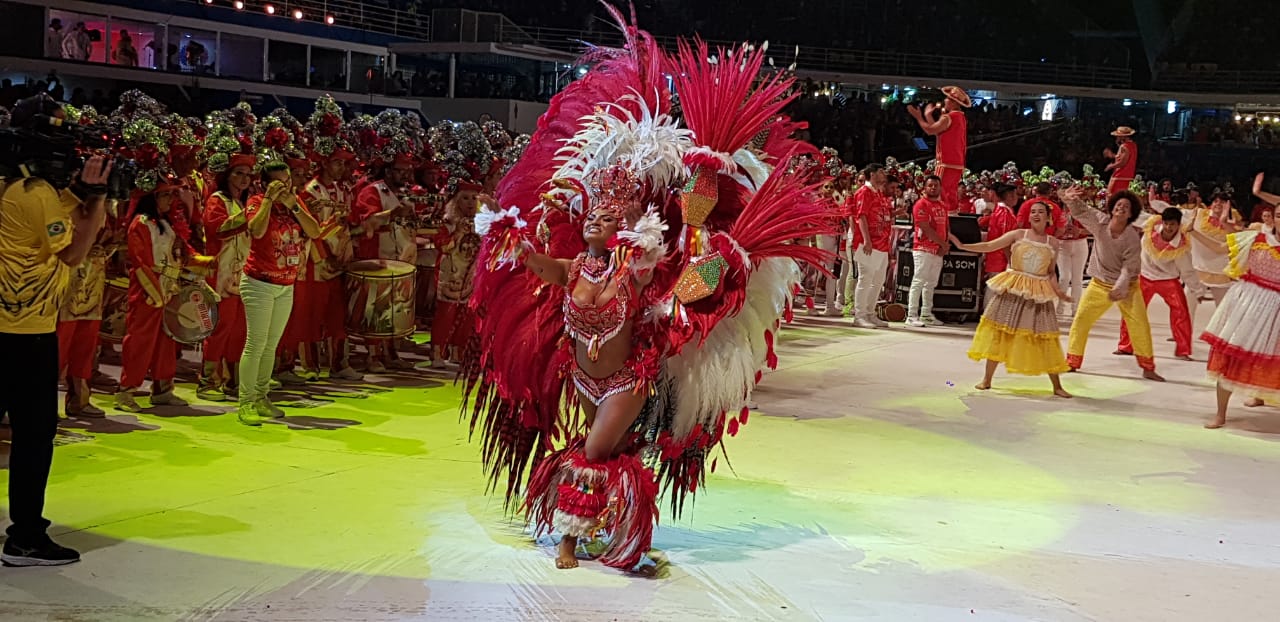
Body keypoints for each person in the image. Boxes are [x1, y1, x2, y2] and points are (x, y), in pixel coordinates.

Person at [0, 130, 110, 565]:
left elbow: (55, 215)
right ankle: (25, 536)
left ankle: (26, 533)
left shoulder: (15, 186)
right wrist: (96, 200)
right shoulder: (35, 192)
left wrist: (78, 193)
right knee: (33, 435)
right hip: (24, 333)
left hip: (14, 326)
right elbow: (74, 252)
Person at [950, 201, 1073, 397]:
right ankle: (987, 379)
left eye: (1040, 212)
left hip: (1038, 293)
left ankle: (1057, 385)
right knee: (1000, 332)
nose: (1036, 215)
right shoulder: (1018, 235)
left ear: (1048, 217)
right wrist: (961, 245)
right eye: (1033, 211)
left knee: (1045, 337)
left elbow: (1050, 272)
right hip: (1014, 288)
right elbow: (990, 245)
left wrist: (1058, 291)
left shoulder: (1053, 243)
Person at [236, 162, 322, 426]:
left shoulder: (294, 204)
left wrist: (293, 204)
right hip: (259, 283)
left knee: (271, 345)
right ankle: (246, 402)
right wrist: (269, 201)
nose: (285, 186)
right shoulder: (257, 201)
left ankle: (262, 397)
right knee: (256, 343)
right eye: (278, 182)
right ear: (264, 183)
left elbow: (315, 231)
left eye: (287, 181)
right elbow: (257, 230)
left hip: (286, 284)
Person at [1200, 173, 1280, 429]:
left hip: (1276, 309)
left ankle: (1258, 394)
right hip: (1247, 305)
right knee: (1230, 356)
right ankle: (1221, 413)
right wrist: (1224, 221)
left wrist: (1258, 192)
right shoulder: (1256, 237)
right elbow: (1230, 235)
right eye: (1279, 214)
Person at [1061, 187, 1165, 381]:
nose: (1121, 208)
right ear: (1112, 209)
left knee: (1140, 326)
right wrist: (1069, 199)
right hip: (1099, 284)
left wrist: (1121, 286)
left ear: (1131, 214)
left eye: (1126, 207)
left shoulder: (1132, 238)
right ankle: (1072, 362)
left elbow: (1130, 267)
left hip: (1128, 287)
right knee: (1081, 321)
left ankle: (1148, 367)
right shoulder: (1100, 222)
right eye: (1118, 205)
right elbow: (1082, 211)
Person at [114, 187, 200, 412]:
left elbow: (181, 252)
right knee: (140, 342)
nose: (170, 200)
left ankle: (163, 390)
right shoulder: (140, 223)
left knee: (166, 341)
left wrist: (204, 263)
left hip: (168, 288)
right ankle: (126, 391)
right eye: (165, 195)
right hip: (148, 291)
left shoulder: (166, 222)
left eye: (172, 195)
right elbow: (141, 262)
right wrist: (154, 293)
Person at [284, 148, 363, 381]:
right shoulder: (310, 192)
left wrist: (346, 255)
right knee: (309, 315)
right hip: (314, 262)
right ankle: (309, 366)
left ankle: (339, 363)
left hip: (339, 260)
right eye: (336, 162)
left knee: (337, 315)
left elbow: (346, 227)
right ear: (324, 164)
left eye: (343, 163)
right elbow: (311, 232)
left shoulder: (344, 191)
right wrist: (324, 258)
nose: (341, 167)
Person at [197, 156, 255, 401]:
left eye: (248, 174)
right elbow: (217, 229)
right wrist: (251, 215)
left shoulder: (242, 203)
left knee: (239, 329)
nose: (244, 179)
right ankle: (208, 381)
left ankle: (233, 380)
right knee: (220, 327)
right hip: (220, 273)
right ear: (227, 175)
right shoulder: (217, 200)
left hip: (241, 272)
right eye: (239, 173)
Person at [350, 154, 415, 373]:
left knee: (396, 307)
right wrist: (393, 213)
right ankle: (372, 356)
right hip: (377, 254)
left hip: (399, 255)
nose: (404, 174)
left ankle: (391, 352)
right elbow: (367, 221)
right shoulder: (373, 191)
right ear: (387, 171)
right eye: (399, 170)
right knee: (376, 308)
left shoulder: (405, 192)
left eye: (407, 170)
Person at [1114, 207, 1197, 361]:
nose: (1169, 227)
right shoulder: (1151, 224)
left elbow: (1187, 270)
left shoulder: (1181, 245)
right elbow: (1135, 215)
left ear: (1178, 225)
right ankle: (1126, 346)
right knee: (1132, 310)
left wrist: (1196, 290)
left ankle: (1183, 350)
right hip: (1144, 276)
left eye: (1172, 224)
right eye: (1166, 223)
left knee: (1181, 313)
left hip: (1169, 280)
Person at [908, 86, 970, 213]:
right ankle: (951, 215)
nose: (945, 101)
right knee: (950, 194)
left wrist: (919, 117)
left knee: (938, 192)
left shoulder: (949, 117)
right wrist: (928, 115)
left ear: (953, 102)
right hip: (957, 162)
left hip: (946, 161)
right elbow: (938, 131)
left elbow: (930, 130)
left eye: (947, 99)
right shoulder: (961, 118)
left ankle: (939, 217)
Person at [848, 163, 893, 328]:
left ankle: (870, 312)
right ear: (872, 174)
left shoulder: (879, 193)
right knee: (865, 278)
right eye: (881, 171)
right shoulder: (864, 192)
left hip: (882, 243)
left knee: (878, 280)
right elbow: (861, 217)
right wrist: (866, 240)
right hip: (868, 243)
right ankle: (859, 315)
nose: (884, 174)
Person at [906, 175, 949, 327]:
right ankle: (911, 315)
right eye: (930, 185)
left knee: (931, 283)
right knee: (919, 280)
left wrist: (945, 245)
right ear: (924, 187)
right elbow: (925, 228)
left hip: (937, 249)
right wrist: (943, 244)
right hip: (923, 248)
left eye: (936, 185)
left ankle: (926, 314)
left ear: (940, 187)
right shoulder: (920, 204)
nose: (933, 188)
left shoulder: (943, 205)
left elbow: (945, 227)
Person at [977, 184, 1019, 306]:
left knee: (995, 288)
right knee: (996, 289)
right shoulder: (1005, 213)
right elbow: (1005, 239)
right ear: (1009, 196)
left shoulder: (999, 211)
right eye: (1015, 194)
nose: (1016, 197)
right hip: (1000, 257)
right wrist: (1010, 259)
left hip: (997, 255)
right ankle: (989, 318)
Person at [1104, 126, 1138, 197]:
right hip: (1128, 175)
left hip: (1120, 175)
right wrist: (1113, 155)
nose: (1116, 138)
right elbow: (1125, 157)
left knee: (1112, 196)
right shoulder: (1133, 145)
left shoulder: (1124, 146)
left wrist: (1111, 166)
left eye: (1118, 136)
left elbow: (1122, 162)